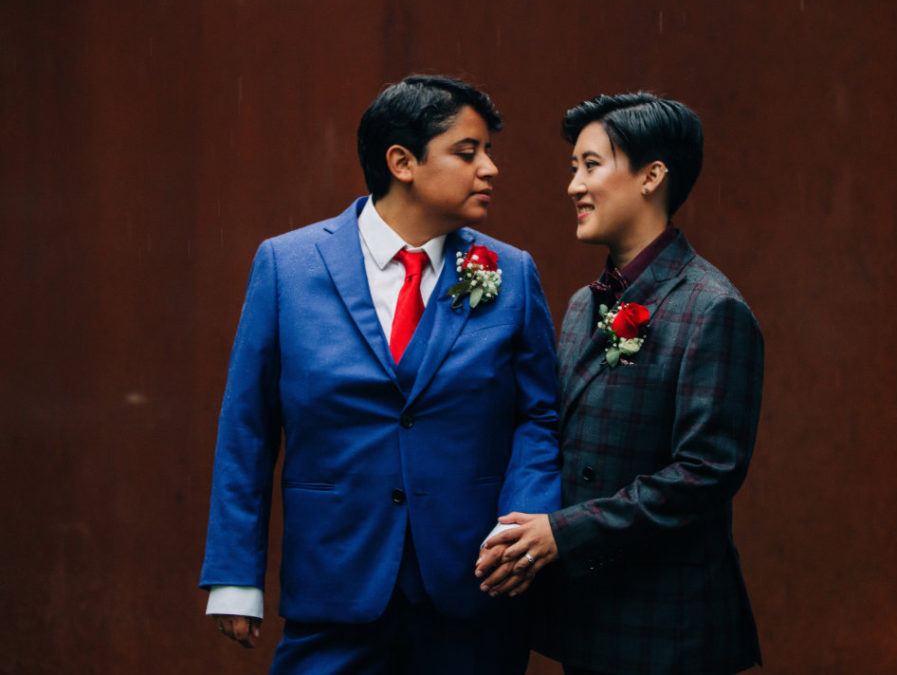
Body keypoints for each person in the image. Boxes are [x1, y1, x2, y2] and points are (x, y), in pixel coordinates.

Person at [199, 75, 561, 674]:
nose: (490, 169)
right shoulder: (286, 266)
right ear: (402, 162)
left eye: (489, 153)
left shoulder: (512, 274)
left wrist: (519, 523)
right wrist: (236, 573)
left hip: (472, 590)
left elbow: (538, 416)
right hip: (334, 586)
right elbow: (248, 426)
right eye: (468, 152)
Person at [476, 93, 764, 674]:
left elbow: (705, 473)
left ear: (652, 176)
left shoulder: (712, 308)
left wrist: (564, 532)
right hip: (590, 618)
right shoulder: (586, 303)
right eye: (573, 169)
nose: (573, 187)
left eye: (591, 165)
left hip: (669, 629)